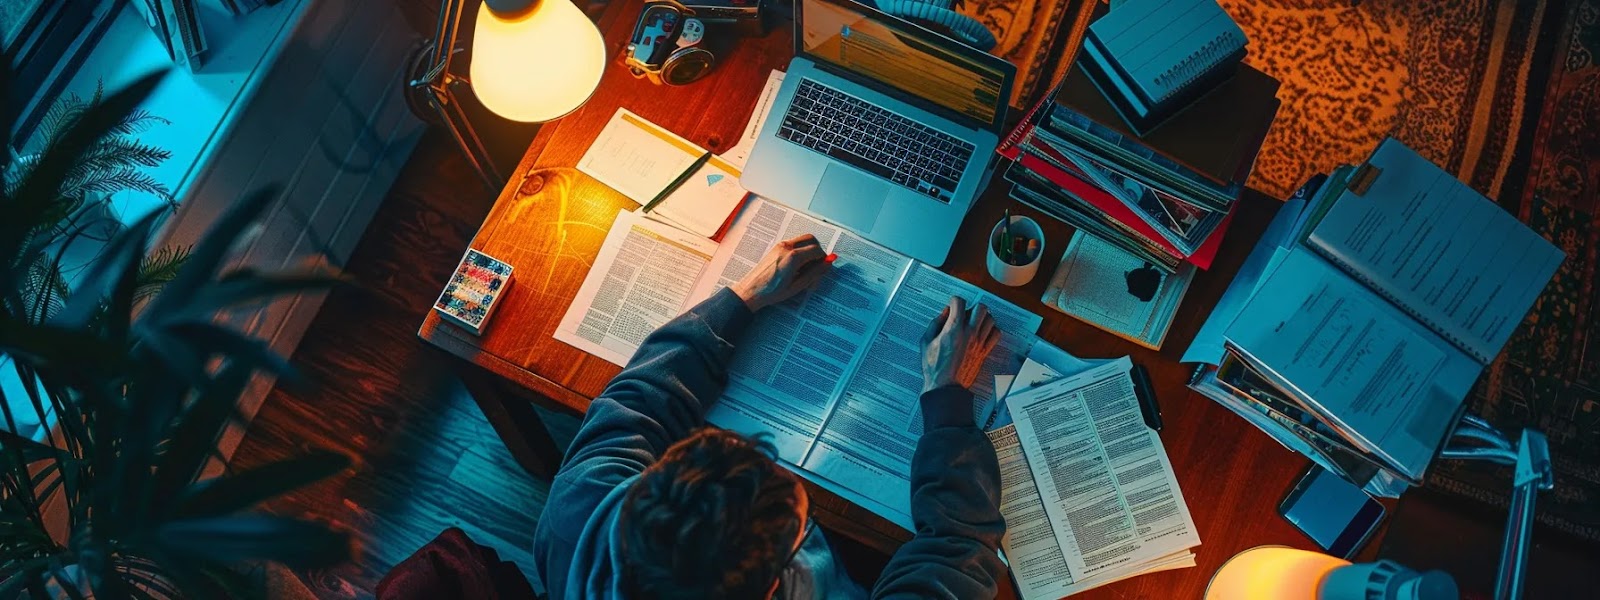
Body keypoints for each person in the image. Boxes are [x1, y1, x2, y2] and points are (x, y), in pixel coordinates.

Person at [532, 234, 1007, 599]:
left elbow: (640, 401)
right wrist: (946, 399)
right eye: (800, 528)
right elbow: (959, 552)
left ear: (646, 486)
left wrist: (743, 297)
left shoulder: (580, 510)